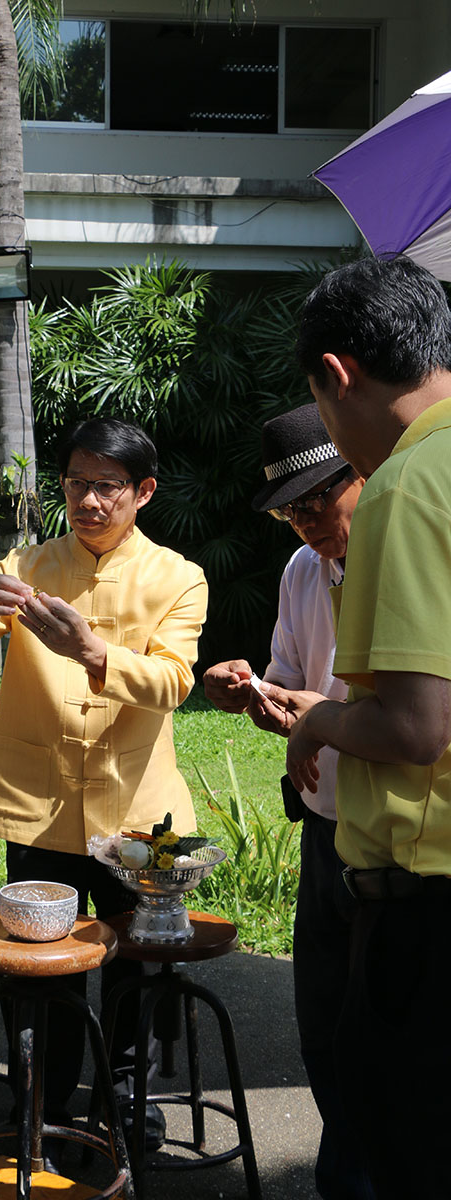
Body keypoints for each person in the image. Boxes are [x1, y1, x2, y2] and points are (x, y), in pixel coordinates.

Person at [0, 417, 208, 1151]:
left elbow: (174, 681)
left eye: (107, 486)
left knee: (137, 963)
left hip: (141, 810)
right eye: (76, 483)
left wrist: (93, 651)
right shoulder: (26, 564)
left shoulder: (178, 576)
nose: (89, 501)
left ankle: (127, 1093)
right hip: (38, 805)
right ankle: (42, 1094)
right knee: (41, 965)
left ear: (143, 492)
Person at [281, 255, 451, 1200]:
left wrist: (321, 721)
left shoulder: (404, 484)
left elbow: (418, 727)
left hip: (426, 907)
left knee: (404, 1152)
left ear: (338, 376)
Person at [203, 402, 372, 1200]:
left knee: (386, 1040)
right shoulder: (304, 571)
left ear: (360, 475)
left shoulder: (405, 559)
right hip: (325, 830)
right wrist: (252, 696)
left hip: (398, 840)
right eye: (288, 511)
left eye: (316, 500)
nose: (305, 522)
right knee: (323, 1032)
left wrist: (317, 717)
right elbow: (290, 696)